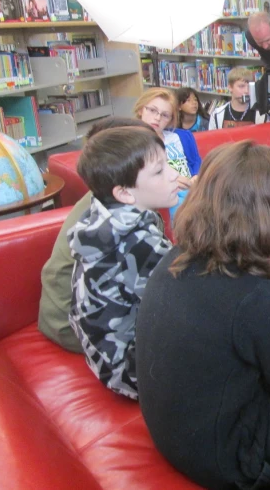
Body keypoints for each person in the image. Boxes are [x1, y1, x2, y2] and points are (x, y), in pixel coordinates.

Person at [137, 140, 270, 489]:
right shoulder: (259, 298)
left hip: (179, 439)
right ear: (260, 218)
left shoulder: (175, 259)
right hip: (231, 461)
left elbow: (229, 335)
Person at [68, 126, 179, 399]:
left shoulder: (106, 215)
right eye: (159, 171)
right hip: (130, 370)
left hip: (103, 358)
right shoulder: (138, 242)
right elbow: (192, 295)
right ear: (125, 193)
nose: (175, 174)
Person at [38, 117, 155, 353]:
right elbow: (155, 285)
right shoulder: (115, 217)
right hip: (70, 326)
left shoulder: (107, 196)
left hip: (69, 314)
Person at [133, 87, 201, 215]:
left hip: (192, 191)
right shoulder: (133, 143)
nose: (157, 118)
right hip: (167, 197)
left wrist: (196, 177)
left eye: (165, 115)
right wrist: (170, 183)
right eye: (153, 110)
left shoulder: (182, 136)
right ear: (141, 109)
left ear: (171, 119)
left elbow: (196, 162)